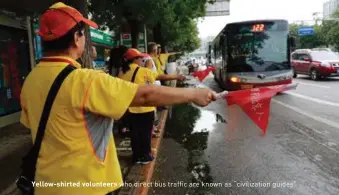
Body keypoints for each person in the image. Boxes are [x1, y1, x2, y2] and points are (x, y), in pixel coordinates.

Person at [20, 2, 216, 195]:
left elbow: (33, 126)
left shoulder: (31, 80)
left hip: (46, 185)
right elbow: (145, 94)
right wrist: (193, 94)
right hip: (86, 185)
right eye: (83, 34)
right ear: (76, 38)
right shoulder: (85, 80)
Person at [117, 48, 186, 164]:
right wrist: (176, 77)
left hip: (130, 108)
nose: (142, 60)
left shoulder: (121, 72)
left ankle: (136, 156)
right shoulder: (142, 71)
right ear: (135, 59)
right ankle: (145, 156)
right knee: (145, 133)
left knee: (135, 133)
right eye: (140, 58)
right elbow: (160, 77)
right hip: (145, 107)